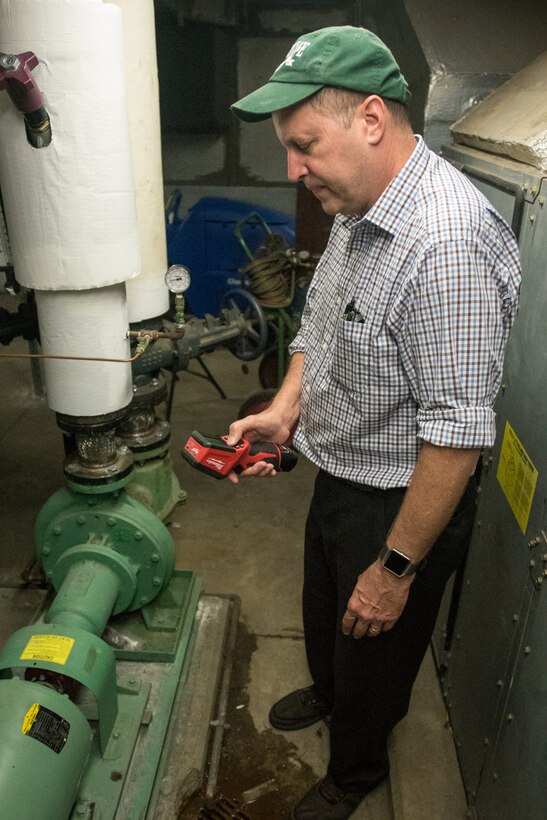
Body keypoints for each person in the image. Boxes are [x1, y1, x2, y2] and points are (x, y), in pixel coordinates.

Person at [226, 25, 521, 820]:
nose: (292, 169)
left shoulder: (445, 243)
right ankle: (330, 693)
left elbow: (455, 441)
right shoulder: (360, 205)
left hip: (403, 500)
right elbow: (320, 324)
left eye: (304, 145)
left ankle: (352, 773)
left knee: (375, 643)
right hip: (345, 471)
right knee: (326, 614)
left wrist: (393, 572)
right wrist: (284, 412)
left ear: (369, 119)